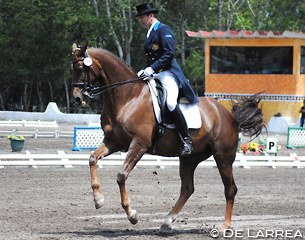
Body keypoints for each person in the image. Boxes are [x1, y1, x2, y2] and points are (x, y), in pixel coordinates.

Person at [135, 2, 199, 156]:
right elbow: (152, 57)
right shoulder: (150, 32)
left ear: (151, 16)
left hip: (169, 73)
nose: (140, 20)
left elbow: (169, 54)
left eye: (142, 17)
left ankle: (186, 140)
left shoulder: (163, 30)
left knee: (170, 102)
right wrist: (144, 70)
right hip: (156, 74)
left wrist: (152, 68)